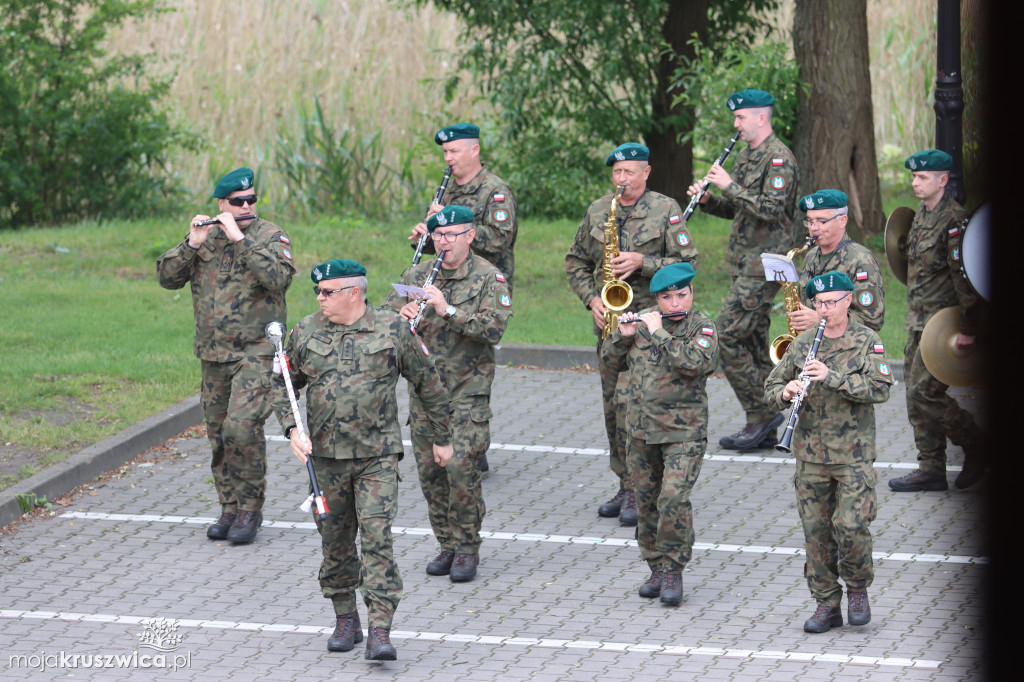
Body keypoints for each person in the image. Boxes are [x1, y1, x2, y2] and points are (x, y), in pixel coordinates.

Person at [274, 259, 452, 661]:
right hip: (325, 459)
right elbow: (281, 384)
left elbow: (428, 382)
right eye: (317, 292)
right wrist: (291, 429)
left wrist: (442, 437)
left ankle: (381, 629)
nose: (319, 299)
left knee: (376, 540)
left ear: (354, 292)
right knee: (335, 543)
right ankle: (345, 618)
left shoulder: (392, 329)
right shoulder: (305, 331)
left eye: (327, 292)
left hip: (377, 457)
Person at [156, 167, 295, 544]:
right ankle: (229, 506)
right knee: (218, 434)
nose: (247, 206)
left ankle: (250, 508)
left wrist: (240, 239)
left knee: (241, 428)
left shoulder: (270, 235)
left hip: (256, 351)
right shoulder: (206, 238)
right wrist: (192, 243)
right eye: (238, 202)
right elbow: (166, 276)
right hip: (213, 354)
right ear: (222, 204)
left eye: (251, 199)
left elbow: (278, 278)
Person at [565, 142, 698, 526]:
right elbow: (576, 261)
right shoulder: (598, 211)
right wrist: (592, 298)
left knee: (635, 408)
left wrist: (644, 262)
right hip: (610, 326)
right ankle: (625, 483)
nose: (621, 180)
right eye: (617, 173)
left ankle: (643, 490)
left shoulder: (666, 210)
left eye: (629, 172)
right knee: (613, 408)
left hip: (650, 324)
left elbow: (688, 263)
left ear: (646, 172)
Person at [764, 271, 893, 633]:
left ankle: (857, 588)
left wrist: (831, 376)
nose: (824, 310)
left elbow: (880, 388)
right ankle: (826, 604)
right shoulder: (804, 342)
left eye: (831, 302)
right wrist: (785, 391)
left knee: (850, 526)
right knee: (816, 533)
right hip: (810, 454)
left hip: (852, 455)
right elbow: (771, 385)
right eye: (819, 303)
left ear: (848, 300)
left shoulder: (867, 340)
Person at [388, 205, 512, 582]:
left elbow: (493, 330)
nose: (442, 243)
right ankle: (446, 544)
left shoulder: (490, 279)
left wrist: (447, 309)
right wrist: (401, 317)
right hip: (426, 394)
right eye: (437, 236)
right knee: (430, 476)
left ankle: (467, 546)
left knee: (460, 470)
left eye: (451, 235)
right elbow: (385, 320)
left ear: (470, 236)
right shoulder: (417, 274)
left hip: (466, 392)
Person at [687, 88, 799, 452]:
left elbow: (772, 209)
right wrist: (708, 200)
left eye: (740, 118)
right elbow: (739, 209)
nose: (735, 125)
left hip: (765, 265)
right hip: (744, 264)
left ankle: (761, 414)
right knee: (751, 342)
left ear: (760, 117)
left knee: (725, 336)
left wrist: (729, 186)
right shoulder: (748, 156)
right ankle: (779, 416)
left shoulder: (778, 158)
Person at [601, 263, 717, 607]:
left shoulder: (703, 327)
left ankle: (674, 570)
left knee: (673, 499)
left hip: (684, 432)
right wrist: (620, 339)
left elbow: (696, 364)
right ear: (657, 299)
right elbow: (609, 363)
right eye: (667, 298)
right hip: (641, 432)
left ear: (691, 293)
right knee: (647, 502)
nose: (675, 303)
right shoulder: (642, 321)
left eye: (681, 295)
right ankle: (655, 566)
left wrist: (660, 334)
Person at [408, 122, 517, 474]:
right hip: (444, 282)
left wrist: (453, 232)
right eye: (445, 152)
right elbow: (440, 244)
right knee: (439, 359)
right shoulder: (447, 191)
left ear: (474, 150)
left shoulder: (495, 191)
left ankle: (470, 437)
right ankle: (448, 433)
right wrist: (427, 237)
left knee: (470, 364)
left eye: (454, 151)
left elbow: (499, 238)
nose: (448, 158)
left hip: (479, 287)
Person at [888, 149, 987, 492]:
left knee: (924, 394)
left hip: (942, 325)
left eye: (923, 177)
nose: (915, 183)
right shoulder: (920, 215)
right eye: (913, 177)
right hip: (917, 321)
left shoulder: (954, 221)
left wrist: (968, 329)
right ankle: (930, 468)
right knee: (913, 397)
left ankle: (977, 443)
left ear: (942, 180)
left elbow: (965, 279)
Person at [786, 189, 885, 334]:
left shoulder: (861, 260)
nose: (813, 228)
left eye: (821, 221)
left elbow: (872, 321)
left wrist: (820, 319)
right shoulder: (811, 256)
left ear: (842, 221)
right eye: (810, 221)